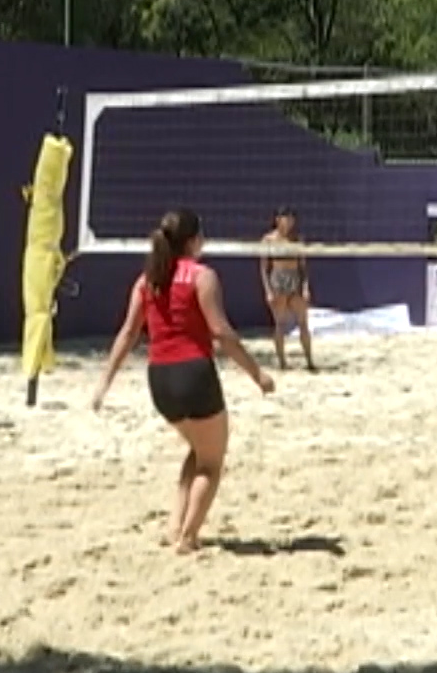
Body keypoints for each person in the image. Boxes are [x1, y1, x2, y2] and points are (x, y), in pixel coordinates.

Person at [91, 208, 275, 554]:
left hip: (159, 380)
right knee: (211, 462)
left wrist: (104, 383)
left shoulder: (147, 281)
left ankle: (174, 526)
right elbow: (220, 331)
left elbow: (128, 333)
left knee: (198, 449)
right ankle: (188, 538)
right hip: (194, 373)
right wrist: (257, 374)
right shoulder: (202, 277)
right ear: (193, 241)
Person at [259, 206, 315, 371]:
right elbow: (264, 268)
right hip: (278, 279)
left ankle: (309, 361)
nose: (289, 222)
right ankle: (282, 362)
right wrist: (268, 290)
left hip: (294, 279)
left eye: (291, 218)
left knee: (303, 323)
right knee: (280, 324)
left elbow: (303, 267)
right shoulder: (268, 240)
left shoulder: (297, 239)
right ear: (278, 220)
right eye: (286, 218)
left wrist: (305, 287)